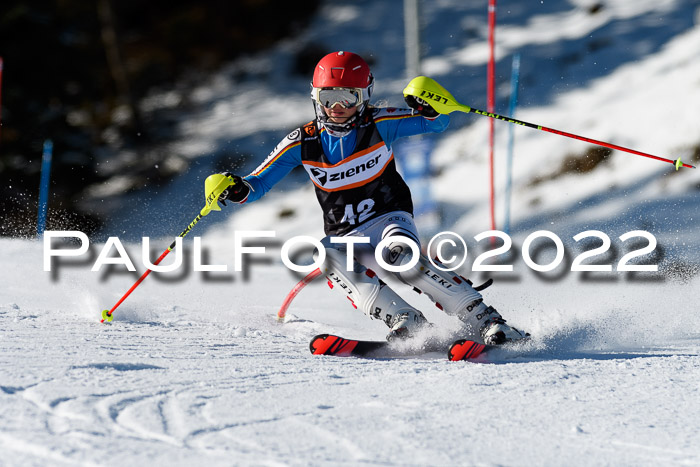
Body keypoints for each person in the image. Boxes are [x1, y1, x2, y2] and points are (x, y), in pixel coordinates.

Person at [218, 51, 527, 345]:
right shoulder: (303, 142)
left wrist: (433, 105)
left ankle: (486, 320)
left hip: (388, 216)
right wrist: (233, 188)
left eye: (348, 97)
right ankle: (407, 321)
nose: (337, 106)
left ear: (364, 96)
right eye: (328, 98)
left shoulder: (380, 124)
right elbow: (254, 186)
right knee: (324, 255)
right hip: (344, 234)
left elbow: (437, 123)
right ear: (315, 98)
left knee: (400, 255)